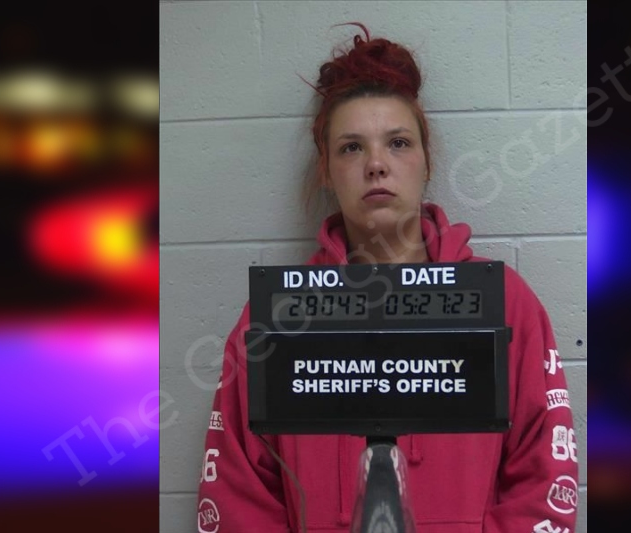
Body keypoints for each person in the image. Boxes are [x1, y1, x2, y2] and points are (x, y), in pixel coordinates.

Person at [197, 23, 579, 533]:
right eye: (351, 148)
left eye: (398, 143)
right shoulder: (277, 314)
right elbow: (238, 495)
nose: (376, 164)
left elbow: (542, 478)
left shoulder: (503, 302)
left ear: (426, 162)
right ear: (326, 171)